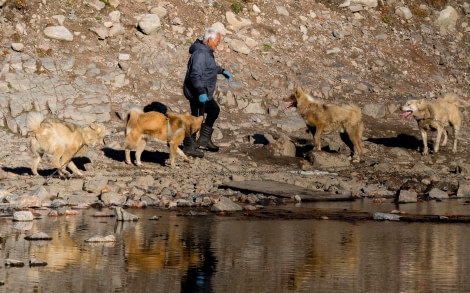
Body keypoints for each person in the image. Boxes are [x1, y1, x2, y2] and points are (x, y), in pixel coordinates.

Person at [182, 27, 231, 158]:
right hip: (197, 92)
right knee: (196, 118)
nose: (218, 44)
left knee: (214, 110)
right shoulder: (201, 54)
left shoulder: (206, 52)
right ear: (209, 40)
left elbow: (210, 67)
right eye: (217, 41)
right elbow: (195, 75)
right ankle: (189, 146)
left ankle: (203, 139)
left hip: (204, 91)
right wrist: (201, 92)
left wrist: (221, 70)